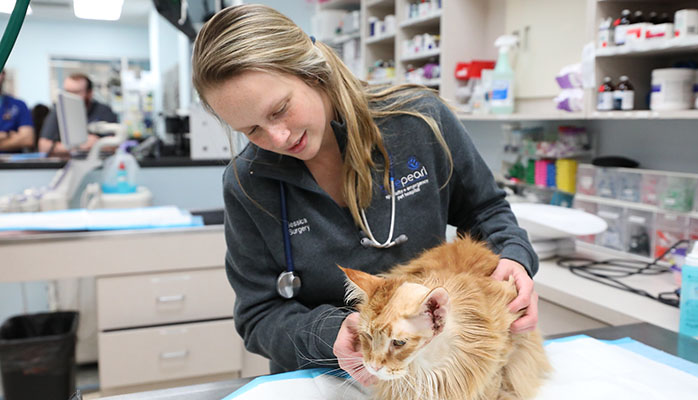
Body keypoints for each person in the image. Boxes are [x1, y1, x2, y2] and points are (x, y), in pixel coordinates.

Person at [192, 4, 539, 384]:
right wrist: (330, 334)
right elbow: (258, 317)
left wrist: (514, 258)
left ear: (314, 72)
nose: (277, 137)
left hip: (428, 369)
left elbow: (486, 210)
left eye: (279, 110)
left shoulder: (418, 123)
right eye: (252, 129)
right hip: (319, 380)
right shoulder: (248, 183)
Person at [38, 73, 117, 156]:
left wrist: (97, 143)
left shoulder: (104, 111)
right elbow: (43, 146)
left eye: (76, 92)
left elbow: (116, 144)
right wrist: (78, 145)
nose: (70, 96)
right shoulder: (58, 112)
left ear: (89, 93)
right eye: (67, 92)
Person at [0, 70, 35, 152]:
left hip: (11, 163)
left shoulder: (19, 105)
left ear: (3, 74)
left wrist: (5, 136)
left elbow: (28, 139)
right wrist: (9, 135)